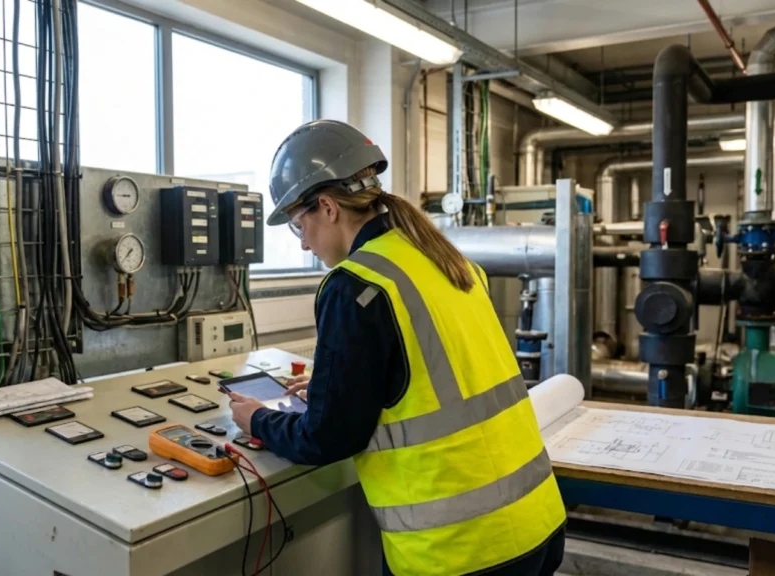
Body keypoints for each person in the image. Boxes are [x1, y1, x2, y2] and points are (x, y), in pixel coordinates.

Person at [228, 119, 567, 576]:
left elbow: (328, 438)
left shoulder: (356, 285)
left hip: (458, 550)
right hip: (536, 524)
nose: (305, 242)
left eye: (298, 224)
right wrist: (341, 389)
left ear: (327, 207)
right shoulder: (443, 259)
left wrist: (259, 419)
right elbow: (439, 379)